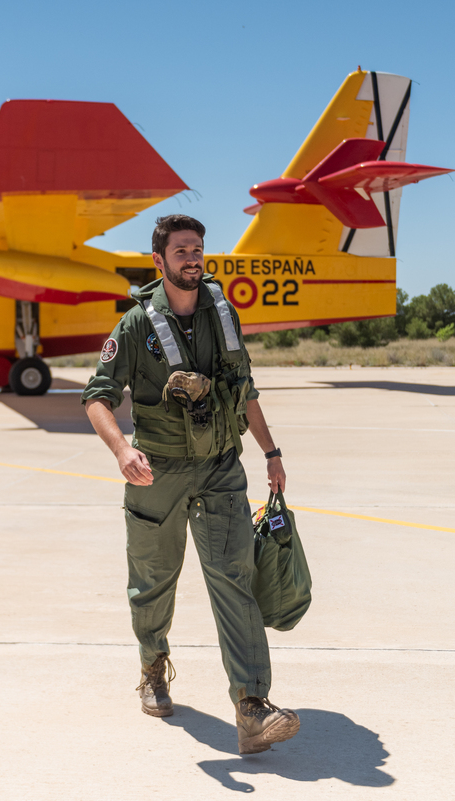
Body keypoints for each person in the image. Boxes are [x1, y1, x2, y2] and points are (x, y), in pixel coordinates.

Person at [82, 214, 299, 755]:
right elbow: (97, 396)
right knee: (154, 579)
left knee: (235, 580)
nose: (192, 257)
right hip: (158, 469)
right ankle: (153, 668)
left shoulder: (223, 315)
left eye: (197, 248)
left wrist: (270, 451)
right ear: (159, 262)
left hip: (222, 465)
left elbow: (244, 390)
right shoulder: (135, 326)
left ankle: (252, 708)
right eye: (181, 250)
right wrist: (121, 449)